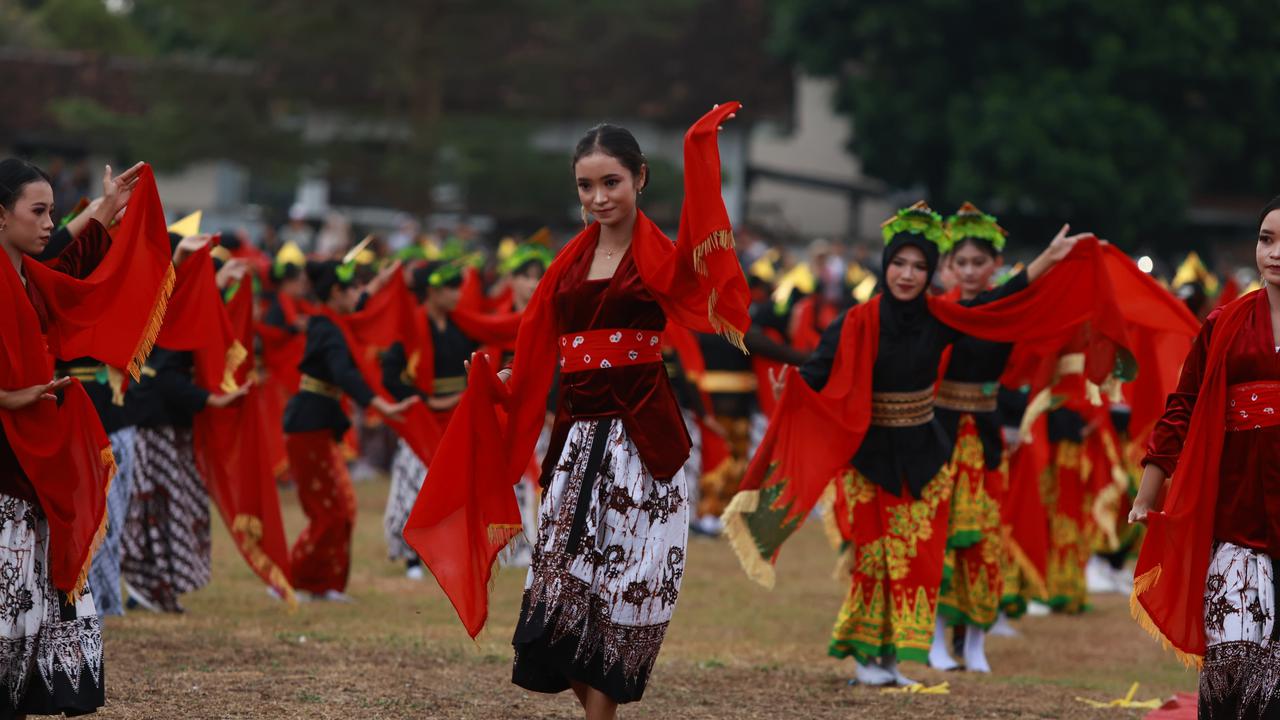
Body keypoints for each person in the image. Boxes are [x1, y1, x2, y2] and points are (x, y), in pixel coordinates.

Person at [404, 103, 749, 720]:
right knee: (563, 598)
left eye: (611, 182)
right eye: (586, 186)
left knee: (624, 591)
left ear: (640, 178)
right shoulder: (567, 264)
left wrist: (699, 151)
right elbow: (540, 342)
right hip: (576, 444)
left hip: (642, 447)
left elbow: (702, 246)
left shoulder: (661, 258)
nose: (598, 197)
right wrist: (507, 379)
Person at [743, 202, 1088, 687]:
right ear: (887, 266)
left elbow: (995, 302)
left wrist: (1047, 259)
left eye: (919, 266)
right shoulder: (857, 321)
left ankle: (891, 660)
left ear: (930, 274)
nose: (907, 275)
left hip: (926, 453)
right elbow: (817, 372)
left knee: (916, 561)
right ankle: (867, 656)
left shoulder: (939, 317)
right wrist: (793, 392)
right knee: (874, 560)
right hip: (871, 457)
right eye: (900, 264)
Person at [0, 157, 156, 715]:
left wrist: (107, 208)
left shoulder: (29, 275)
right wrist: (5, 397)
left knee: (34, 582)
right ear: (1, 215)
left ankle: (30, 689)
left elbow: (68, 259)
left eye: (51, 212)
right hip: (8, 453)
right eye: (38, 211)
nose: (48, 223)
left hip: (34, 454)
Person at [1129, 196, 1280, 718]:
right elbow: (1182, 407)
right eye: (1266, 239)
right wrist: (1148, 493)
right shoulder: (1224, 323)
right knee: (1231, 656)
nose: (1275, 252)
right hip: (1235, 509)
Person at [283, 259, 415, 601]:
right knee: (329, 511)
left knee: (341, 508)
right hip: (308, 426)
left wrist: (380, 282)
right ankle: (290, 579)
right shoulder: (327, 329)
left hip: (319, 423)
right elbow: (344, 373)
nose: (360, 294)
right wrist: (380, 404)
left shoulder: (333, 320)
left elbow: (360, 302)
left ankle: (324, 584)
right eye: (353, 288)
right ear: (336, 292)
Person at [381, 260, 474, 579]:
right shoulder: (411, 327)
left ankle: (448, 552)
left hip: (457, 416)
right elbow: (389, 375)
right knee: (414, 482)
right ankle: (411, 557)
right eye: (451, 288)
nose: (458, 294)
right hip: (422, 419)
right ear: (432, 291)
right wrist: (425, 400)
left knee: (455, 487)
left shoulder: (463, 325)